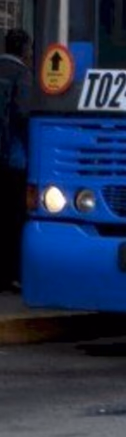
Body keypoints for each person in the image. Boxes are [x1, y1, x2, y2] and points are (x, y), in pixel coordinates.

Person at [0, 28, 31, 291]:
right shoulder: (23, 75)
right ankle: (11, 274)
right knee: (14, 217)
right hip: (14, 160)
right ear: (24, 50)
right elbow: (23, 115)